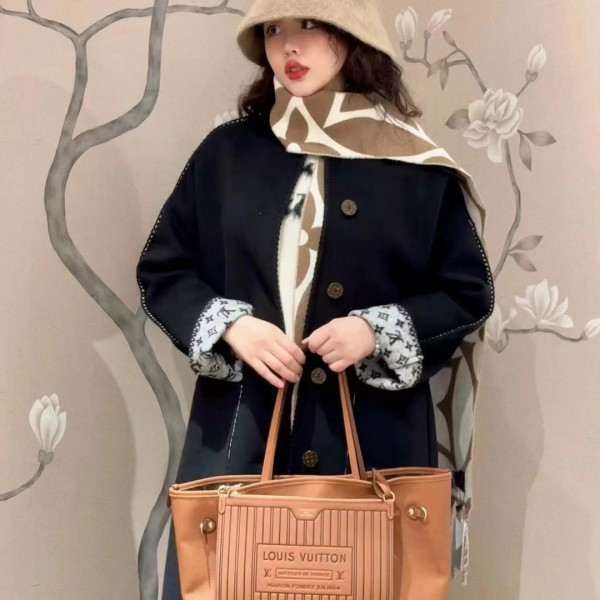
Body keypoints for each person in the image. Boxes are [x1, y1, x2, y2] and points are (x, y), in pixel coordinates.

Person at [135, 1, 495, 597]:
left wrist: (377, 331)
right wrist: (232, 327)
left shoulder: (414, 167)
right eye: (273, 30)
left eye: (309, 25)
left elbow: (466, 291)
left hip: (373, 447)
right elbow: (164, 268)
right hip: (239, 438)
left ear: (354, 35)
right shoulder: (228, 154)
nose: (288, 47)